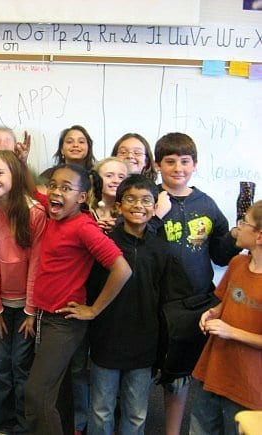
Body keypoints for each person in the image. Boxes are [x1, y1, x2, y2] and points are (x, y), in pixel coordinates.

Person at [24, 162, 132, 435]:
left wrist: (94, 310)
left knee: (36, 395)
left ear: (82, 198)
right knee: (56, 394)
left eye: (66, 188)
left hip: (64, 323)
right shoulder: (53, 213)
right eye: (53, 186)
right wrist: (23, 161)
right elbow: (32, 191)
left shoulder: (84, 227)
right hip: (45, 317)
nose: (55, 192)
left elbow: (122, 269)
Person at [86, 174, 192, 435]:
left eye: (146, 200)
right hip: (106, 338)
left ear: (155, 207)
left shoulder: (162, 249)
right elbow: (91, 288)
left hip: (144, 342)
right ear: (119, 206)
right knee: (101, 410)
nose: (138, 205)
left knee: (136, 413)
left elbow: (168, 299)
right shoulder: (105, 243)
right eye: (130, 199)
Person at [153, 132, 241, 435]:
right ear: (157, 165)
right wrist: (154, 214)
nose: (178, 168)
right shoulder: (150, 199)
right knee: (154, 373)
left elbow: (219, 255)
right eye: (170, 161)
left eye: (185, 161)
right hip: (157, 302)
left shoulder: (206, 203)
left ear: (195, 164)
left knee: (184, 378)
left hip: (196, 303)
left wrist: (233, 238)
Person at [0, 150, 47, 434]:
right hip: (0, 308)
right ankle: (4, 424)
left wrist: (30, 310)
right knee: (1, 366)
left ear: (15, 175)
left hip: (28, 307)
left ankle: (24, 425)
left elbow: (37, 265)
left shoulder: (35, 213)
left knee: (21, 367)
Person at [190, 200, 262, 434]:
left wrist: (231, 332)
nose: (238, 227)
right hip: (213, 370)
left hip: (248, 385)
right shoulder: (238, 262)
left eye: (244, 222)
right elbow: (225, 302)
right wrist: (212, 313)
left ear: (259, 236)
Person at [37, 125, 97, 194]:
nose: (75, 145)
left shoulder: (97, 175)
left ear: (88, 148)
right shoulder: (48, 175)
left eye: (81, 142)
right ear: (62, 149)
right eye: (69, 142)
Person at [89, 157, 129, 233]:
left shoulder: (130, 212)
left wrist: (118, 231)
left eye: (121, 177)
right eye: (109, 176)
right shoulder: (84, 209)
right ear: (96, 179)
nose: (116, 181)